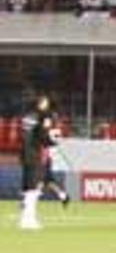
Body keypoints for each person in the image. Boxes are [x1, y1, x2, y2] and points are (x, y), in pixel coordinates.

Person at [18, 96, 63, 231]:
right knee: (34, 188)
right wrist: (54, 140)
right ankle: (29, 219)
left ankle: (24, 218)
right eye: (46, 103)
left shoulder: (27, 116)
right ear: (42, 104)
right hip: (36, 154)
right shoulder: (44, 117)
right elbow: (44, 137)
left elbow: (26, 135)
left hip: (25, 154)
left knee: (27, 187)